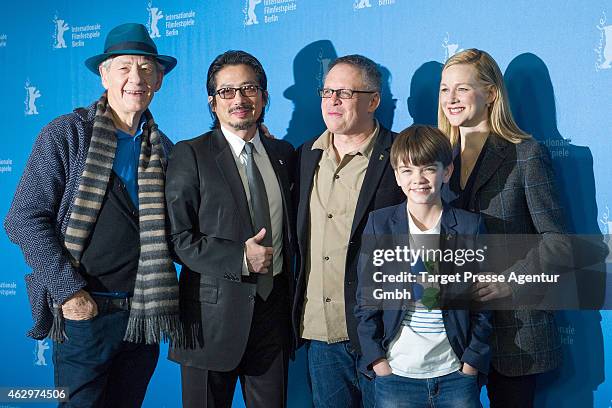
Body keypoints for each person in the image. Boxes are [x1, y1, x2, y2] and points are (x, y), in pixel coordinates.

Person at [4, 23, 181, 406]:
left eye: (147, 69)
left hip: (144, 315)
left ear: (159, 80)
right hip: (86, 313)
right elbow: (23, 218)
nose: (136, 79)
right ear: (104, 75)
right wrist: (70, 293)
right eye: (124, 68)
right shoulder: (67, 134)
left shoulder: (166, 149)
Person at [438, 48, 570, 407]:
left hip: (515, 330)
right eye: (445, 89)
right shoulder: (434, 162)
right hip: (453, 332)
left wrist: (508, 282)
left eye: (462, 89)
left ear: (491, 93)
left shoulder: (526, 154)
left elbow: (558, 242)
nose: (451, 99)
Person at [165, 50, 296, 408]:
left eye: (249, 88)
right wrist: (240, 257)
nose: (239, 99)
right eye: (227, 91)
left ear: (264, 96)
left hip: (273, 320)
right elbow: (178, 239)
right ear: (212, 102)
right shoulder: (190, 154)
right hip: (209, 323)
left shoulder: (284, 154)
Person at [292, 54, 404, 408]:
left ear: (373, 101)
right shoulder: (303, 157)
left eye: (344, 92)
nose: (333, 101)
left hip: (388, 334)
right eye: (327, 93)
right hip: (322, 336)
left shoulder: (402, 154)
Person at [354, 125, 492, 408]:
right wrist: (378, 362)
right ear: (397, 175)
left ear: (447, 172)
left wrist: (471, 364)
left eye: (428, 169)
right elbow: (366, 300)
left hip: (455, 375)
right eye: (407, 170)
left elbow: (483, 303)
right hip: (395, 376)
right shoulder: (380, 225)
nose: (418, 179)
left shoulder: (469, 226)